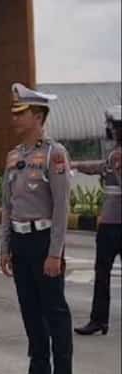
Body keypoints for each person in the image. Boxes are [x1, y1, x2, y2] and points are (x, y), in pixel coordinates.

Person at [0, 83, 74, 374]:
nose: (15, 118)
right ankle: (39, 368)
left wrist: (55, 253)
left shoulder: (53, 154)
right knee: (30, 308)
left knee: (54, 309)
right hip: (20, 240)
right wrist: (5, 246)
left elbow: (61, 208)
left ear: (38, 116)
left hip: (44, 239)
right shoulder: (14, 156)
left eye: (21, 112)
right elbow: (7, 205)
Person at [74, 106, 122, 336]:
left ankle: (99, 320)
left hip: (113, 226)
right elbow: (100, 167)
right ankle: (98, 320)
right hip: (112, 224)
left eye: (111, 126)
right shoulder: (114, 156)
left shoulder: (118, 155)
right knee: (101, 273)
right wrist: (76, 166)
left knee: (102, 274)